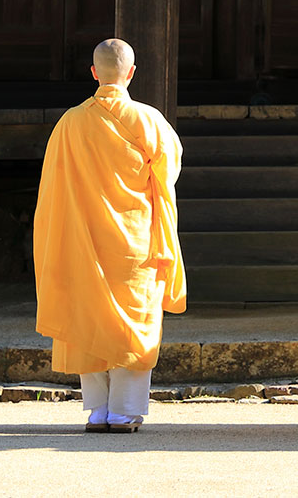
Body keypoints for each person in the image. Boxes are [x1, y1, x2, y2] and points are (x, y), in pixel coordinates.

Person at [32, 38, 186, 435]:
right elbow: (167, 181)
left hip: (83, 239)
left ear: (94, 72)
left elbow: (53, 186)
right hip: (134, 240)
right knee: (134, 322)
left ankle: (97, 410)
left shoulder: (69, 122)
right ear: (132, 73)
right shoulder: (150, 121)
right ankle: (124, 412)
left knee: (88, 316)